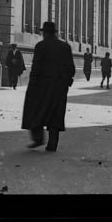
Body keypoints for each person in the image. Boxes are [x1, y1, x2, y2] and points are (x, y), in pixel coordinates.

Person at [21, 21, 75, 152]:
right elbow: (71, 69)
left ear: (44, 33)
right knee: (55, 114)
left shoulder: (41, 46)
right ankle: (52, 143)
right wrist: (66, 82)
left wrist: (32, 84)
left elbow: (36, 67)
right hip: (59, 87)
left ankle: (38, 138)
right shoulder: (65, 47)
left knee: (35, 110)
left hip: (42, 86)